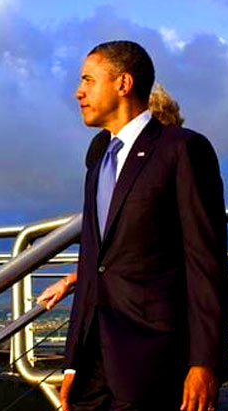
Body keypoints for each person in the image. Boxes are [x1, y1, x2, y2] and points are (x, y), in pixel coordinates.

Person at [60, 40, 228, 411]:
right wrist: (70, 364)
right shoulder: (99, 155)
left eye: (87, 79)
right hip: (94, 362)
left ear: (123, 83)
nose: (78, 91)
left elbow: (205, 261)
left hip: (151, 353)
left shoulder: (182, 149)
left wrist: (204, 362)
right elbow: (93, 256)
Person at [37, 82, 186, 310]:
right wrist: (71, 280)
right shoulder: (103, 159)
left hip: (150, 311)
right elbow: (113, 253)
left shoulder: (177, 169)